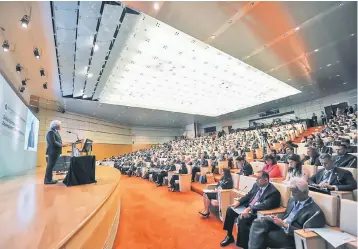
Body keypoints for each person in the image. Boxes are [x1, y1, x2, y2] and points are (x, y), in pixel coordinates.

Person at [248, 178, 326, 249]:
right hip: (281, 227)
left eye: (294, 192)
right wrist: (276, 219)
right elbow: (286, 216)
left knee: (261, 235)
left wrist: (284, 225)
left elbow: (305, 234)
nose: (292, 194)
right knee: (258, 222)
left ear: (304, 192)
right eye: (291, 191)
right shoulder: (292, 200)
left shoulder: (315, 212)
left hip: (291, 236)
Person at [220, 171, 281, 248]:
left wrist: (250, 209)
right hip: (248, 207)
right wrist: (238, 202)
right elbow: (249, 195)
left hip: (257, 213)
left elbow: (265, 205)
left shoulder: (273, 192)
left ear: (266, 180)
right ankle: (229, 236)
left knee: (242, 218)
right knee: (230, 209)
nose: (256, 180)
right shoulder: (256, 185)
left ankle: (244, 246)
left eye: (259, 178)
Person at [44, 120, 69, 184]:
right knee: (50, 166)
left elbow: (58, 141)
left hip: (56, 152)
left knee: (51, 166)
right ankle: (47, 180)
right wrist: (62, 145)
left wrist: (63, 144)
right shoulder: (50, 132)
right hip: (52, 152)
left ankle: (49, 179)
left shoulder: (56, 132)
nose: (60, 126)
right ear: (55, 126)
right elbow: (53, 142)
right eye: (59, 125)